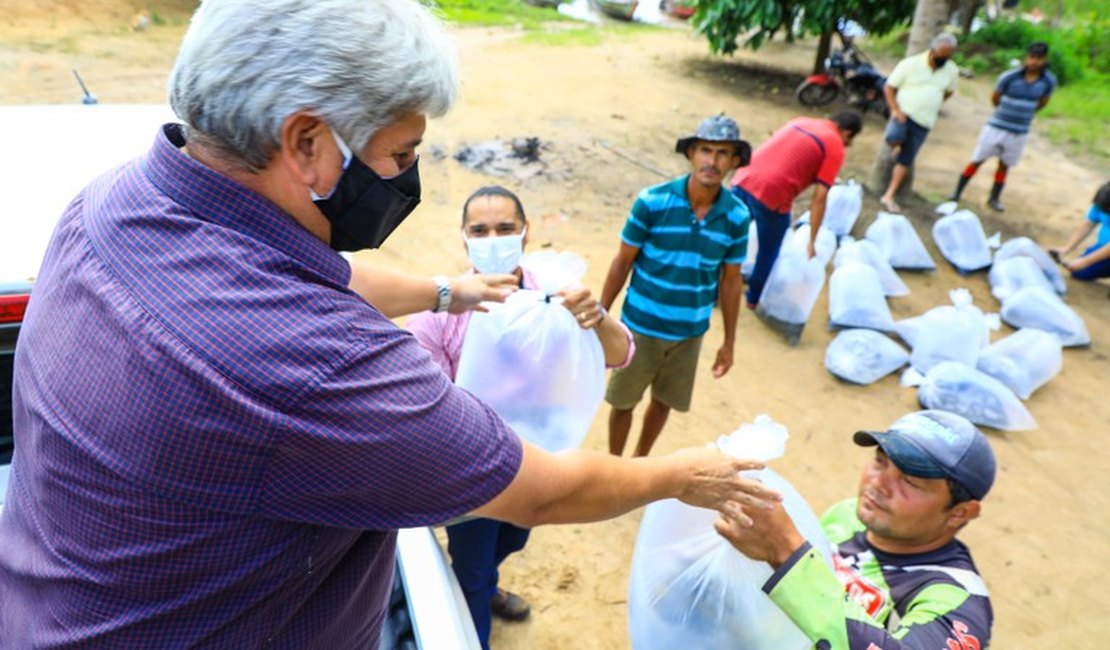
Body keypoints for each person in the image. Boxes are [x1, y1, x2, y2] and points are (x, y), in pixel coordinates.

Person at [0, 2, 781, 647]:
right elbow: (540, 493)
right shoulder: (316, 365)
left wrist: (447, 291)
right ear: (308, 142)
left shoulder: (111, 204)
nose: (408, 177)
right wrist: (687, 474)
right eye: (401, 153)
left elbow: (322, 272)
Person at [407, 185, 635, 649]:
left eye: (505, 228)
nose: (493, 238)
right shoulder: (441, 313)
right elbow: (425, 399)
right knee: (470, 561)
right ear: (464, 238)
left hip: (537, 459)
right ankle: (476, 619)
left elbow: (620, 353)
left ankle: (489, 582)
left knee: (513, 539)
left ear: (526, 233)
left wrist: (598, 318)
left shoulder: (555, 292)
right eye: (481, 230)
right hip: (470, 467)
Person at [716, 410, 996, 648]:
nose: (879, 484)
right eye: (880, 462)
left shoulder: (958, 600)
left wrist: (787, 554)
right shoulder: (849, 514)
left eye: (910, 481)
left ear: (960, 512)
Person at [601, 114, 751, 457]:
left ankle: (640, 461)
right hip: (640, 326)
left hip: (689, 333)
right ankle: (615, 465)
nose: (712, 161)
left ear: (734, 161)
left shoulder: (737, 216)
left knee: (664, 402)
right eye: (705, 150)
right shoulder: (652, 202)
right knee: (623, 402)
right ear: (691, 154)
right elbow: (623, 260)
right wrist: (600, 314)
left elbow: (730, 282)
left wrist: (729, 341)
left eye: (723, 153)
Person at [731, 110, 863, 307]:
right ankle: (754, 298)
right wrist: (812, 240)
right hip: (772, 193)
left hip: (744, 177)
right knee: (769, 250)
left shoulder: (801, 121)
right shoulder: (835, 145)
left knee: (727, 236)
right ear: (847, 133)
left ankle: (711, 288)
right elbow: (820, 198)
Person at [950, 41, 1057, 212]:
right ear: (1026, 58)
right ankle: (956, 193)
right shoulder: (1009, 76)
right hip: (997, 127)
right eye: (1032, 57)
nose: (1034, 62)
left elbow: (1043, 102)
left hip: (1019, 131)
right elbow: (995, 98)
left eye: (1039, 58)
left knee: (1004, 164)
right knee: (977, 159)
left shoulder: (1048, 81)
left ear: (1045, 60)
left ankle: (994, 198)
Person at [879, 33, 960, 213]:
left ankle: (889, 194)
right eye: (942, 55)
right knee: (893, 137)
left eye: (948, 56)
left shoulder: (952, 70)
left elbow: (948, 92)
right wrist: (895, 109)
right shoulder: (910, 64)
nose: (944, 59)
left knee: (907, 159)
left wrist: (933, 102)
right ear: (933, 50)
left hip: (925, 120)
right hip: (904, 115)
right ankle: (897, 148)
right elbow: (890, 87)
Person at [1049, 181, 1110, 281]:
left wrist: (1085, 262)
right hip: (1104, 246)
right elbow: (1088, 224)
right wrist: (1067, 248)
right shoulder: (1104, 201)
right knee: (1080, 272)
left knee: (1083, 266)